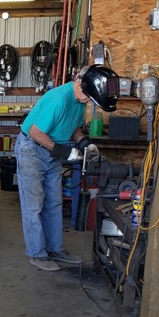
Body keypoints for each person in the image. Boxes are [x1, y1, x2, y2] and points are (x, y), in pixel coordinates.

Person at [14, 65, 119, 271]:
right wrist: (64, 152)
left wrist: (84, 143)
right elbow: (35, 132)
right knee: (34, 205)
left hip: (52, 151)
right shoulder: (59, 99)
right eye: (90, 98)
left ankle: (55, 249)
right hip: (32, 150)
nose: (89, 102)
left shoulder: (79, 100)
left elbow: (73, 127)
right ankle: (37, 254)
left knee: (54, 203)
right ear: (81, 85)